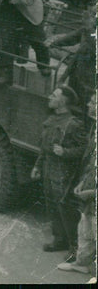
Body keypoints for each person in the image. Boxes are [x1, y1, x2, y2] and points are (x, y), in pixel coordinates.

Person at [31, 85, 86, 263]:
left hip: (64, 172)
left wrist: (65, 152)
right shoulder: (52, 119)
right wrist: (38, 166)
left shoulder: (73, 124)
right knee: (52, 205)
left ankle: (75, 248)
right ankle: (59, 240)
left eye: (54, 96)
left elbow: (85, 150)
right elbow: (45, 146)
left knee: (65, 208)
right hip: (49, 167)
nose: (50, 97)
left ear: (62, 102)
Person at [58, 91, 96, 275]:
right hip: (90, 193)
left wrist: (92, 192)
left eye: (93, 102)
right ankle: (82, 263)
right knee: (85, 229)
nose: (89, 105)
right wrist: (83, 183)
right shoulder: (94, 127)